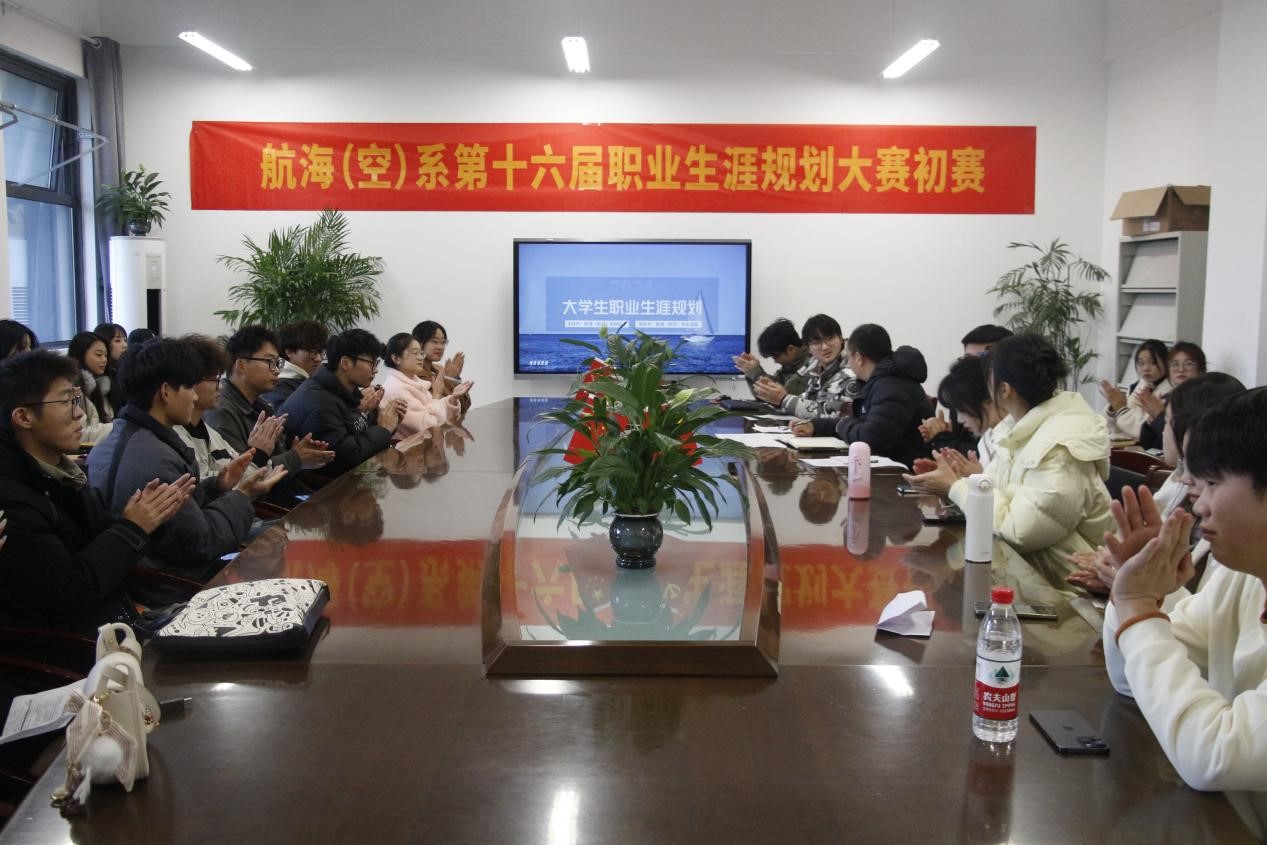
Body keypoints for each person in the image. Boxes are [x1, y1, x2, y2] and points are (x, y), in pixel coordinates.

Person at [1103, 387, 1267, 838]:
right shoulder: (1244, 576)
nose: (1198, 503)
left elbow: (1216, 755)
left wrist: (1138, 609)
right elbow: (1130, 681)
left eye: (1213, 483)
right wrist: (1142, 594)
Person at [0, 350, 194, 635]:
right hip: (80, 648)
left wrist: (148, 519)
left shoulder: (60, 474)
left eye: (76, 399)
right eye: (66, 401)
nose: (79, 413)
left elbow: (100, 543)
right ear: (23, 417)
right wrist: (133, 528)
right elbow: (69, 594)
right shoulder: (11, 499)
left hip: (119, 620)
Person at [87, 338, 286, 582]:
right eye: (190, 387)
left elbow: (181, 520)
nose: (194, 397)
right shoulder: (156, 459)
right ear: (166, 392)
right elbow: (202, 543)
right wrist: (243, 496)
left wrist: (216, 486)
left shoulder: (123, 438)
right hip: (171, 586)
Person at [945, 334, 1113, 577]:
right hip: (1028, 575)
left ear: (1004, 389)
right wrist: (968, 482)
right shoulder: (1018, 429)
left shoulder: (1061, 446)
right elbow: (996, 492)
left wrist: (957, 486)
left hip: (1067, 588)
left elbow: (1018, 532)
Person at [794, 324, 932, 468]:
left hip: (906, 472)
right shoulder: (878, 383)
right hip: (887, 466)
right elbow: (861, 424)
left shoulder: (892, 388)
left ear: (859, 358)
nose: (848, 362)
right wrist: (815, 426)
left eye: (848, 356)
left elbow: (870, 439)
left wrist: (842, 425)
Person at [207, 326, 334, 479]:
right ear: (241, 365)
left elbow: (275, 461)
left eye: (277, 363)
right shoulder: (220, 411)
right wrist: (294, 458)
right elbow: (237, 476)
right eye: (270, 362)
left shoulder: (263, 405)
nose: (277, 371)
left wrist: (299, 455)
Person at [280, 328, 406, 476]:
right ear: (345, 363)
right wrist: (384, 429)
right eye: (371, 363)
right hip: (319, 486)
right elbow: (348, 457)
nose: (376, 370)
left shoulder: (344, 390)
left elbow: (358, 430)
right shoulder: (320, 402)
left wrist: (387, 421)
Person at [903, 355, 1006, 495]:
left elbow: (1008, 499)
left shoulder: (1010, 440)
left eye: (962, 411)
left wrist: (971, 480)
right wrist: (949, 475)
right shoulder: (987, 438)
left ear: (988, 400)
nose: (960, 420)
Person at [759, 314, 858, 418]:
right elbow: (809, 399)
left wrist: (784, 400)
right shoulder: (815, 367)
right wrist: (777, 397)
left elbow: (831, 413)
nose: (825, 347)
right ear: (808, 348)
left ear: (841, 338)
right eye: (816, 343)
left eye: (829, 339)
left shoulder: (853, 368)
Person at [379, 333, 470, 439]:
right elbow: (429, 425)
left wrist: (453, 398)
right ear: (396, 358)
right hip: (412, 448)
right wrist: (436, 396)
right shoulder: (396, 389)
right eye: (415, 353)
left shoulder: (415, 382)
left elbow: (438, 412)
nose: (420, 358)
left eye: (421, 353)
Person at [1138, 341, 1207, 450]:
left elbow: (1182, 444)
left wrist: (1158, 416)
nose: (1181, 369)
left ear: (1201, 370)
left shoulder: (1204, 401)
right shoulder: (1167, 398)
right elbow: (1146, 444)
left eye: (1188, 364)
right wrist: (1151, 419)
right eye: (1175, 364)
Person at [1100, 339, 1170, 441]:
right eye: (1140, 363)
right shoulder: (1136, 386)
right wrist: (1113, 407)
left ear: (1166, 362)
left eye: (1152, 362)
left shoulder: (1171, 393)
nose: (1145, 368)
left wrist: (1121, 408)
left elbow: (1144, 431)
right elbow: (1114, 428)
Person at [732, 318, 809, 402]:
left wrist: (755, 372)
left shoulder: (810, 368)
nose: (775, 361)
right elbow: (765, 397)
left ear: (790, 349)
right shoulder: (789, 366)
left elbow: (781, 400)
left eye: (775, 356)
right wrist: (751, 371)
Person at [262, 320, 329, 408]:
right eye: (312, 352)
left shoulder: (312, 382)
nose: (318, 359)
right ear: (289, 352)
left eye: (321, 352)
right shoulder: (279, 387)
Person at [67, 330, 116, 444]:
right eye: (98, 355)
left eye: (106, 355)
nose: (104, 360)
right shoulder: (72, 389)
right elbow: (80, 434)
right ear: (80, 355)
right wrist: (117, 427)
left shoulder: (104, 386)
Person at [93, 322, 128, 417]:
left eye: (125, 340)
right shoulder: (100, 378)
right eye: (117, 341)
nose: (124, 345)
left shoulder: (123, 370)